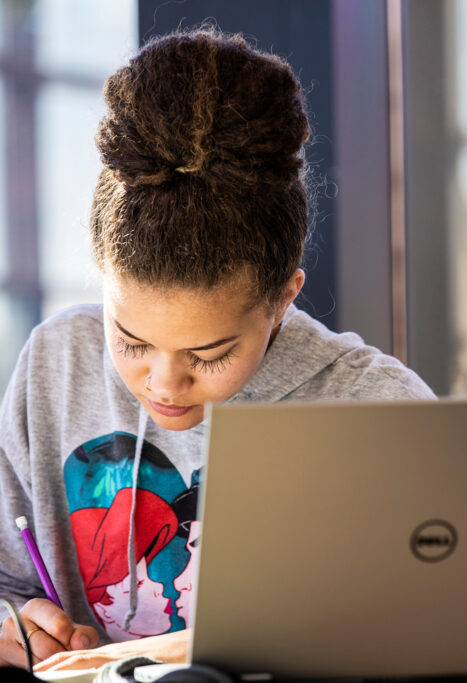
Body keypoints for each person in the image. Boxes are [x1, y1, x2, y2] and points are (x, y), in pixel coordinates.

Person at [0, 27, 434, 671]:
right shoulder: (57, 362)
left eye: (207, 355)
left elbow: (432, 623)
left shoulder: (376, 409)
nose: (164, 384)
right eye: (131, 340)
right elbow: (9, 580)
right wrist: (14, 624)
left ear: (283, 298)